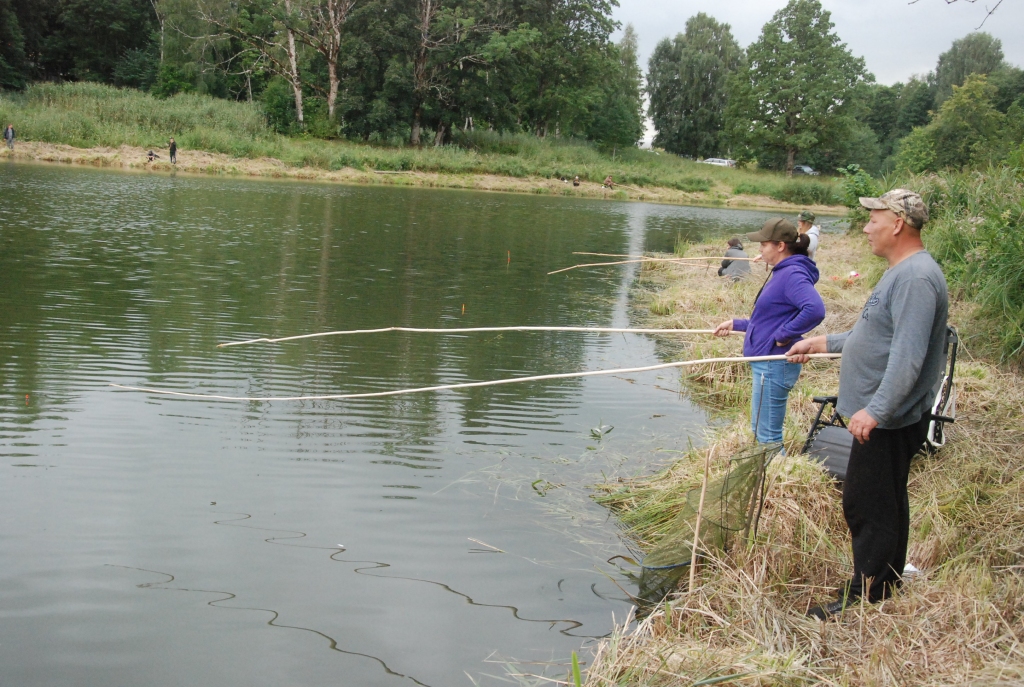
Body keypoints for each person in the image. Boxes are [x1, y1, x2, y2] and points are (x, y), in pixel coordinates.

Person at [786, 189, 948, 620]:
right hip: (885, 415)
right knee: (885, 498)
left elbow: (908, 357)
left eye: (873, 219)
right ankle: (886, 581)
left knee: (867, 503)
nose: (865, 228)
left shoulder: (915, 278)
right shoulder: (902, 271)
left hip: (888, 420)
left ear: (897, 223)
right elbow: (875, 335)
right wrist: (822, 342)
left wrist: (876, 410)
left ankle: (866, 594)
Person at [713, 218, 825, 446]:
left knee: (768, 437)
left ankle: (776, 468)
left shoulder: (792, 273)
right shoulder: (783, 271)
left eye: (764, 245)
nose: (760, 249)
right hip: (766, 362)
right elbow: (771, 318)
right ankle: (766, 468)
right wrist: (737, 324)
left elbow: (814, 309)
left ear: (780, 246)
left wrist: (784, 335)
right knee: (760, 430)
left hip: (774, 364)